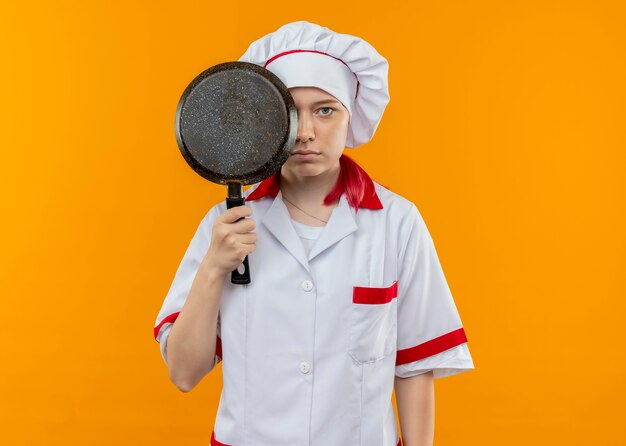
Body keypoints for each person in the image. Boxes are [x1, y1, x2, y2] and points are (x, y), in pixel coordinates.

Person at [154, 20, 474, 446]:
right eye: (288, 113)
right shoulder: (225, 224)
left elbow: (414, 367)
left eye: (325, 110)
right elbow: (183, 374)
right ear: (263, 122)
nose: (305, 132)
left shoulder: (397, 222)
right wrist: (214, 267)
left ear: (350, 116)